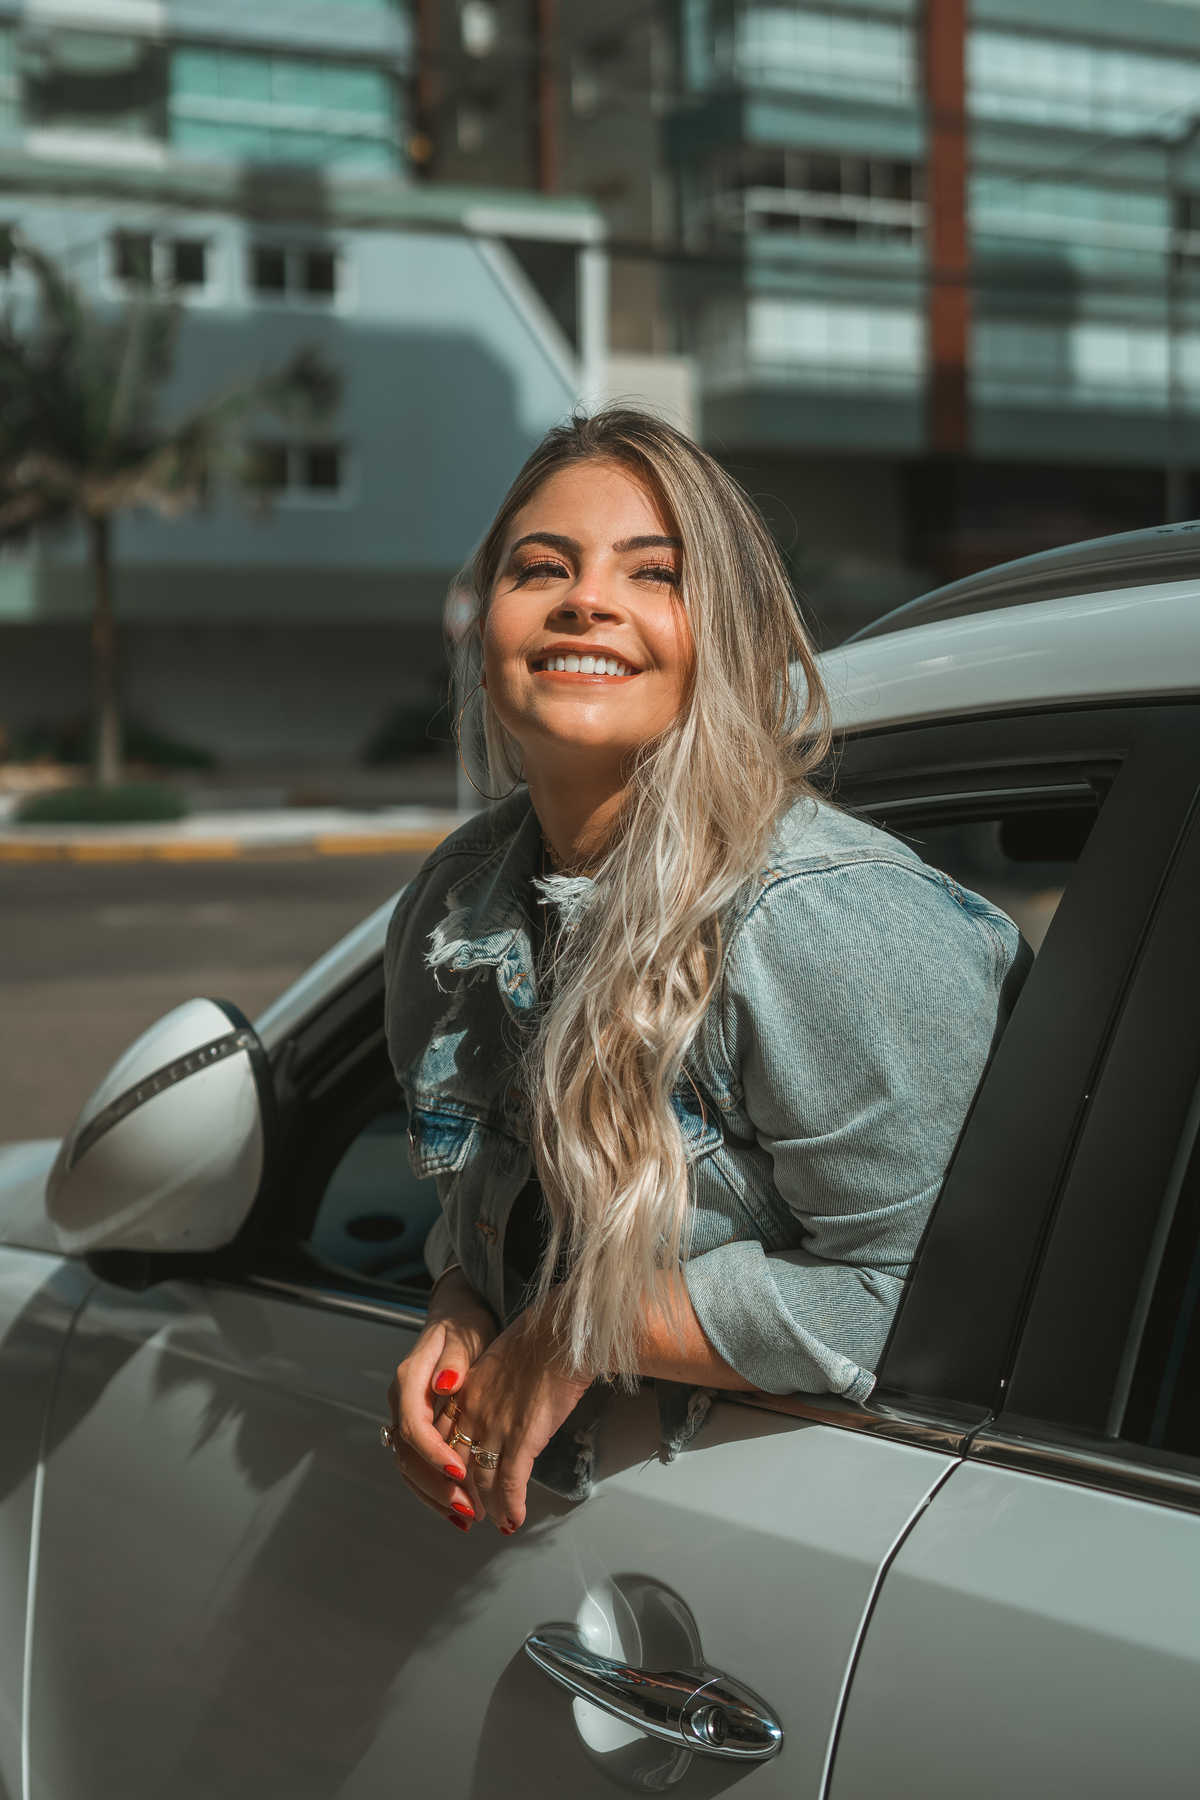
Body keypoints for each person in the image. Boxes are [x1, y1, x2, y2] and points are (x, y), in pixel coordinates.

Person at [383, 408, 1018, 1538]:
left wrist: (586, 1328)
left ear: (724, 638)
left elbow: (923, 1302)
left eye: (653, 574)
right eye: (542, 568)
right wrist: (461, 1310)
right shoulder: (457, 902)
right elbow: (476, 1198)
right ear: (485, 631)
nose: (585, 599)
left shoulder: (818, 923)